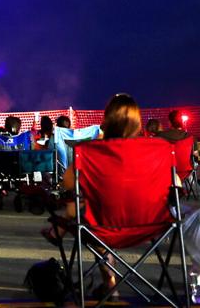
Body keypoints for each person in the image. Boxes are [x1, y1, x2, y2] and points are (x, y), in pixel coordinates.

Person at [43, 93, 143, 295]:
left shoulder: (91, 151)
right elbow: (175, 183)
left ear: (106, 121)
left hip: (104, 224)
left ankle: (110, 284)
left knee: (85, 214)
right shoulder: (156, 150)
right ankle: (110, 284)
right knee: (88, 211)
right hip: (147, 225)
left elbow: (68, 182)